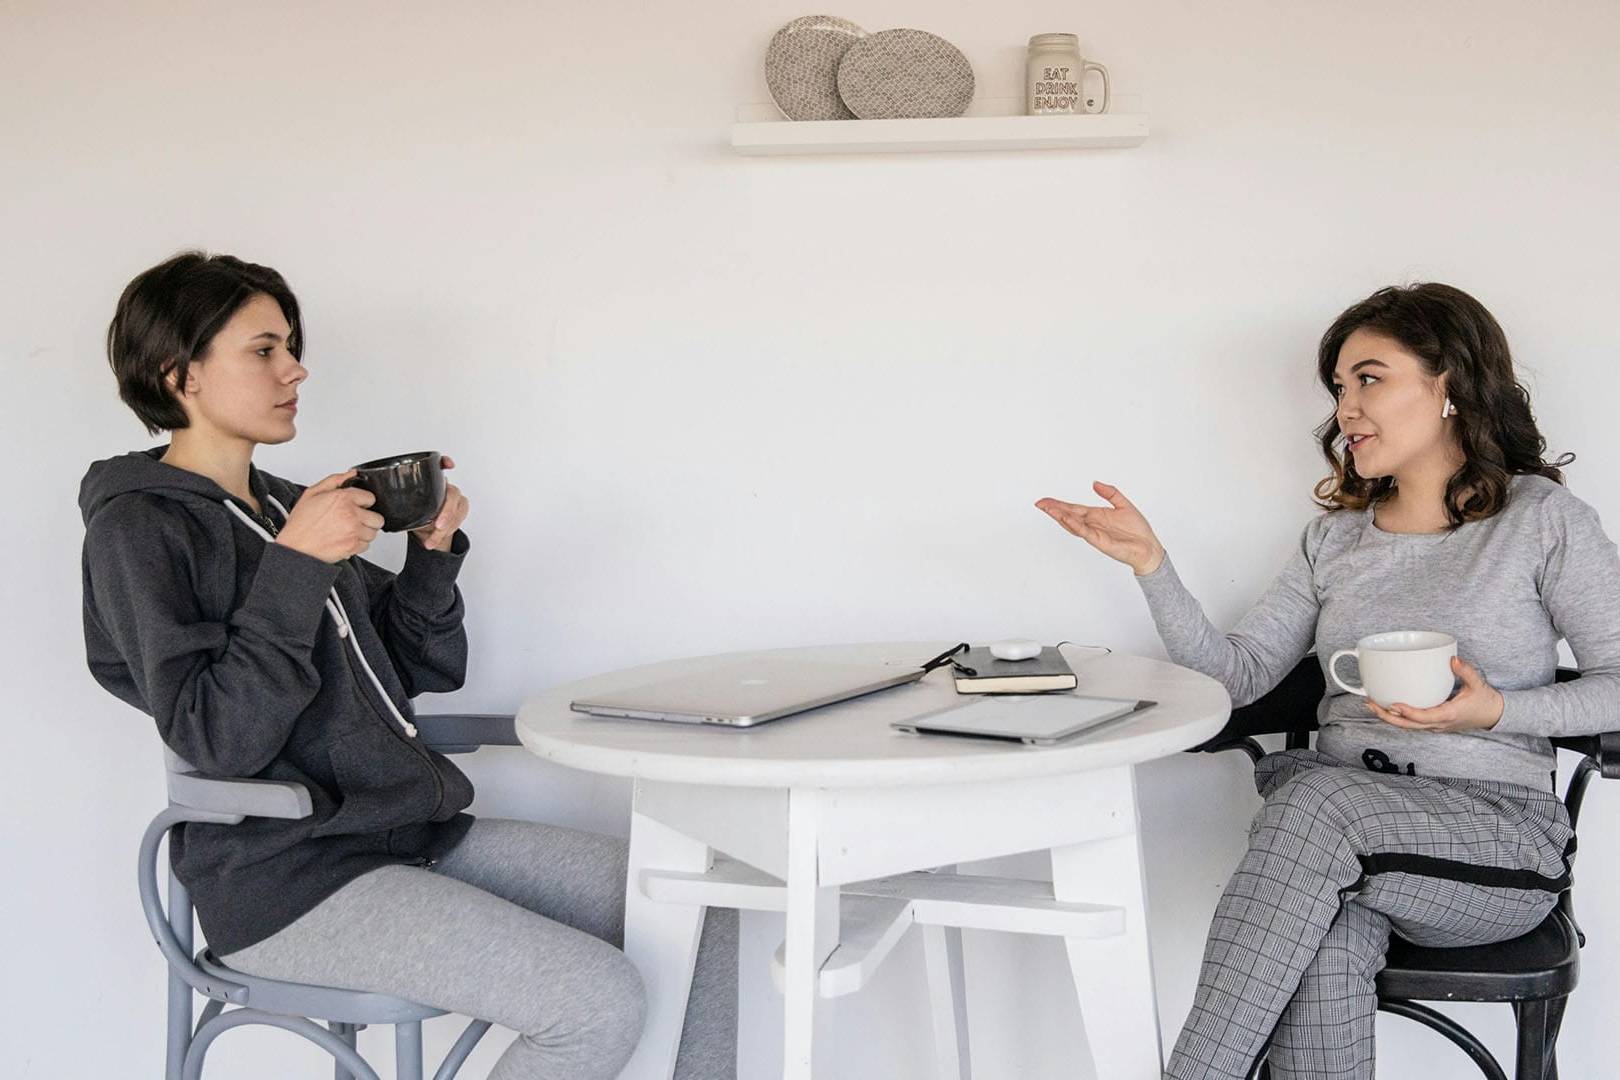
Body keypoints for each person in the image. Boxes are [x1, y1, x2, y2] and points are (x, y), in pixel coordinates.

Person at [81, 251, 736, 1080]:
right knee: (594, 1002)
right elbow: (217, 737)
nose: (296, 368)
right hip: (288, 878)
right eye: (264, 350)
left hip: (410, 834)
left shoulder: (287, 505)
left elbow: (416, 664)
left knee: (704, 908)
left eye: (291, 346)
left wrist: (430, 554)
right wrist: (296, 565)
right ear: (181, 374)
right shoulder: (137, 529)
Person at [1036, 282, 1620, 1080]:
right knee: (1325, 937)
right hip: (1336, 850)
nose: (1346, 408)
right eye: (1339, 388)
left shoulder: (1541, 520)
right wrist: (1152, 567)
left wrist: (1493, 712)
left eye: (1369, 378)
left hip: (1496, 840)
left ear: (1447, 382)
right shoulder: (1333, 542)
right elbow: (1237, 679)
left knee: (1313, 803)